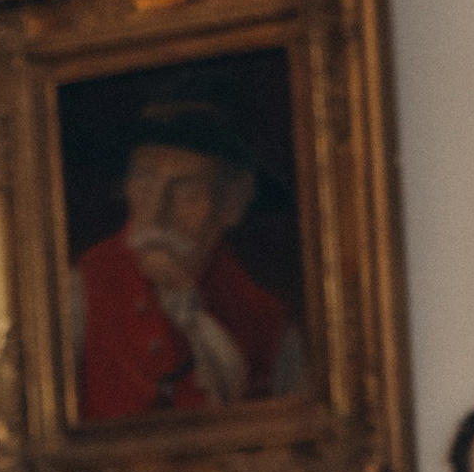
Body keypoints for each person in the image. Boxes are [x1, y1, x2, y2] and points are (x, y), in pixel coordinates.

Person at [71, 94, 307, 421]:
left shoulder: (272, 329)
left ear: (233, 203)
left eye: (186, 188)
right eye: (144, 179)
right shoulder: (80, 290)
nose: (157, 211)